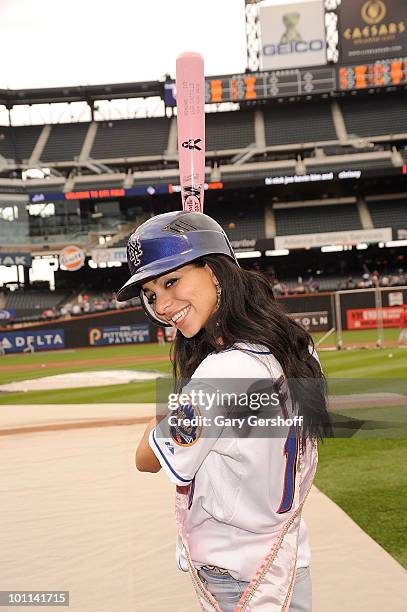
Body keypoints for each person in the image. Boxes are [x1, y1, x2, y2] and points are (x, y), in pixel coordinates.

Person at [116, 211, 331, 612]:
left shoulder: (222, 373)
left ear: (215, 272)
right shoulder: (294, 348)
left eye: (171, 281)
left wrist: (163, 415)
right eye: (150, 293)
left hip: (237, 582)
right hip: (285, 564)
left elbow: (146, 459)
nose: (162, 305)